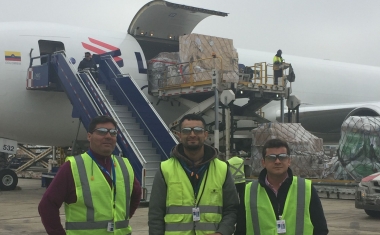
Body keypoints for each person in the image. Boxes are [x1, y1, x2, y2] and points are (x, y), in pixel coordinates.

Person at [39, 115, 141, 235]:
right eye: (102, 132)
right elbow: (47, 206)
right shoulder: (73, 166)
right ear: (89, 136)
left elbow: (135, 196)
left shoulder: (124, 165)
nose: (108, 136)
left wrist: (120, 219)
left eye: (113, 132)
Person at [148, 114, 239, 235]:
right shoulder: (165, 169)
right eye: (186, 130)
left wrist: (222, 232)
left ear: (205, 135)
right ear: (179, 135)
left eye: (197, 130)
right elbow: (156, 214)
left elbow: (231, 209)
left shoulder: (222, 169)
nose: (192, 134)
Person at [235, 139, 328, 235]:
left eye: (282, 157)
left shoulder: (305, 188)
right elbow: (241, 230)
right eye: (271, 157)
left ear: (289, 161)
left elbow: (320, 229)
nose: (277, 161)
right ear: (263, 162)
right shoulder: (250, 191)